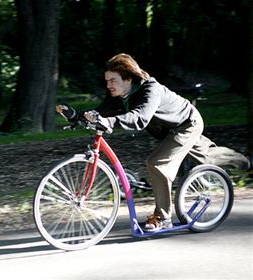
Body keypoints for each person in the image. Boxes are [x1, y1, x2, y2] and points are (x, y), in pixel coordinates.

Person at [57, 53, 250, 232]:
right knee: (209, 156)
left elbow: (140, 118)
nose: (108, 85)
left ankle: (162, 217)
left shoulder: (151, 89)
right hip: (168, 129)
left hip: (186, 124)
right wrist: (76, 115)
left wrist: (110, 122)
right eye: (107, 80)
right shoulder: (118, 96)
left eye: (113, 80)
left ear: (128, 79)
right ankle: (248, 163)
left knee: (157, 163)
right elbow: (100, 112)